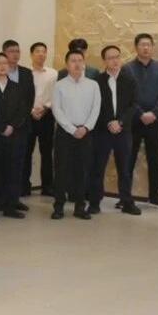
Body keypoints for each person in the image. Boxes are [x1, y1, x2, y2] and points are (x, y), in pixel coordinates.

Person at [89, 46, 141, 216]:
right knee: (98, 168)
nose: (115, 60)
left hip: (123, 131)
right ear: (104, 61)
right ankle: (94, 202)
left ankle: (127, 202)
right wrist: (108, 123)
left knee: (125, 169)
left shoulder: (130, 80)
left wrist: (120, 122)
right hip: (102, 131)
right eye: (110, 58)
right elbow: (95, 106)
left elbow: (133, 105)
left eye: (117, 57)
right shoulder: (97, 81)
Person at [52, 50, 100, 221]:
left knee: (83, 170)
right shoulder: (59, 85)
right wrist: (72, 129)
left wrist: (86, 127)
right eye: (73, 60)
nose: (77, 64)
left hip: (86, 133)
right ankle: (58, 206)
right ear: (67, 64)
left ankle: (80, 207)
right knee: (61, 170)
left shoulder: (93, 85)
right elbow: (57, 110)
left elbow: (96, 109)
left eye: (80, 60)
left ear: (84, 63)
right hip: (65, 133)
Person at [125, 33, 158, 209]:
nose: (145, 48)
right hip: (134, 120)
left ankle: (154, 197)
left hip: (154, 120)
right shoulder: (127, 68)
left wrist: (154, 113)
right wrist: (140, 114)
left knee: (154, 159)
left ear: (152, 47)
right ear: (136, 47)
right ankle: (125, 197)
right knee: (129, 159)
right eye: (142, 44)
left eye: (148, 45)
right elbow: (127, 95)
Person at [0, 53, 30, 219]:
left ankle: (11, 205)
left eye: (5, 63)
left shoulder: (17, 87)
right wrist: (1, 127)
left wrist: (12, 126)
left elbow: (23, 110)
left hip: (15, 134)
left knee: (14, 171)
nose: (2, 66)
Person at [27, 42, 58, 198]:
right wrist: (31, 110)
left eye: (43, 51)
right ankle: (24, 186)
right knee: (26, 152)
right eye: (37, 51)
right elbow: (23, 96)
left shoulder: (53, 73)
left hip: (47, 115)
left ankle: (47, 186)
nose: (41, 54)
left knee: (46, 152)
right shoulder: (25, 73)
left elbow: (56, 94)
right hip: (28, 116)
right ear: (31, 54)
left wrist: (45, 107)